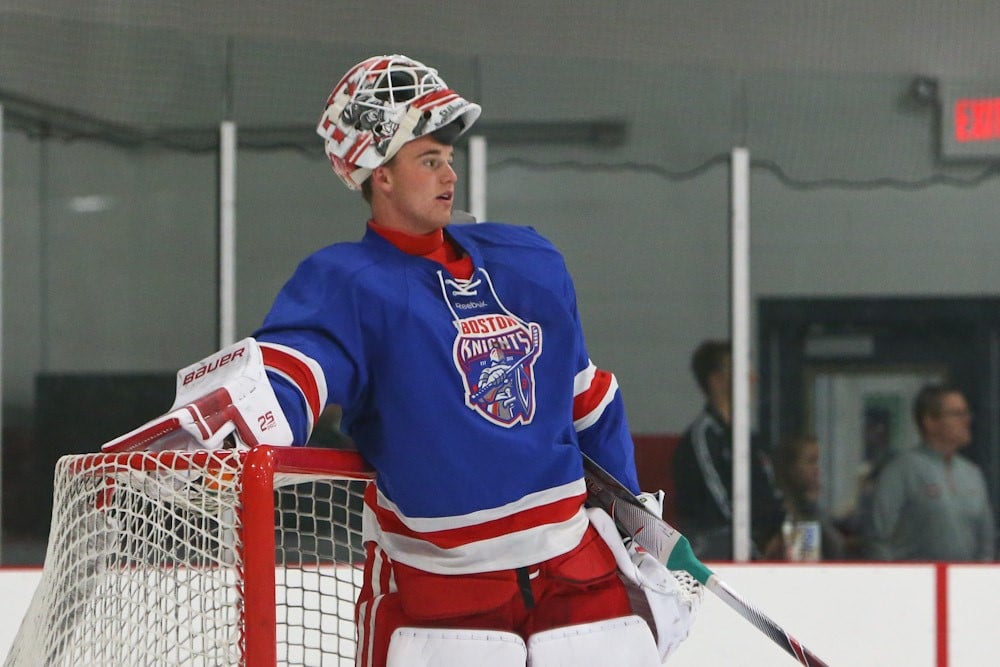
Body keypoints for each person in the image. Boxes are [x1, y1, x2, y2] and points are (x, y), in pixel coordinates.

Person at [101, 55, 699, 666]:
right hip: (445, 593)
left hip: (576, 575)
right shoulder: (351, 283)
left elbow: (587, 398)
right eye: (428, 159)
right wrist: (245, 411)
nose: (450, 175)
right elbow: (297, 363)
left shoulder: (527, 260)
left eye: (448, 158)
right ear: (379, 174)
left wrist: (638, 529)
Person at [671, 340, 784, 559]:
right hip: (715, 548)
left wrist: (779, 530)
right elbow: (719, 505)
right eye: (743, 371)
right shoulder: (702, 437)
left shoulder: (747, 437)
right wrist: (756, 541)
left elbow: (770, 491)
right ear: (717, 381)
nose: (753, 379)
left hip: (757, 543)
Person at [868, 383, 996, 561]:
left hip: (964, 582)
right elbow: (879, 536)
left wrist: (979, 580)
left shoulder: (973, 474)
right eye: (957, 414)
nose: (967, 420)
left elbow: (986, 541)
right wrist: (891, 582)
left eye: (967, 413)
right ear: (930, 422)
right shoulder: (902, 471)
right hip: (913, 582)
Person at [771, 434, 846, 561]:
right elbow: (805, 559)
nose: (817, 470)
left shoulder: (809, 508)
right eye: (811, 461)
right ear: (791, 468)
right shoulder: (784, 513)